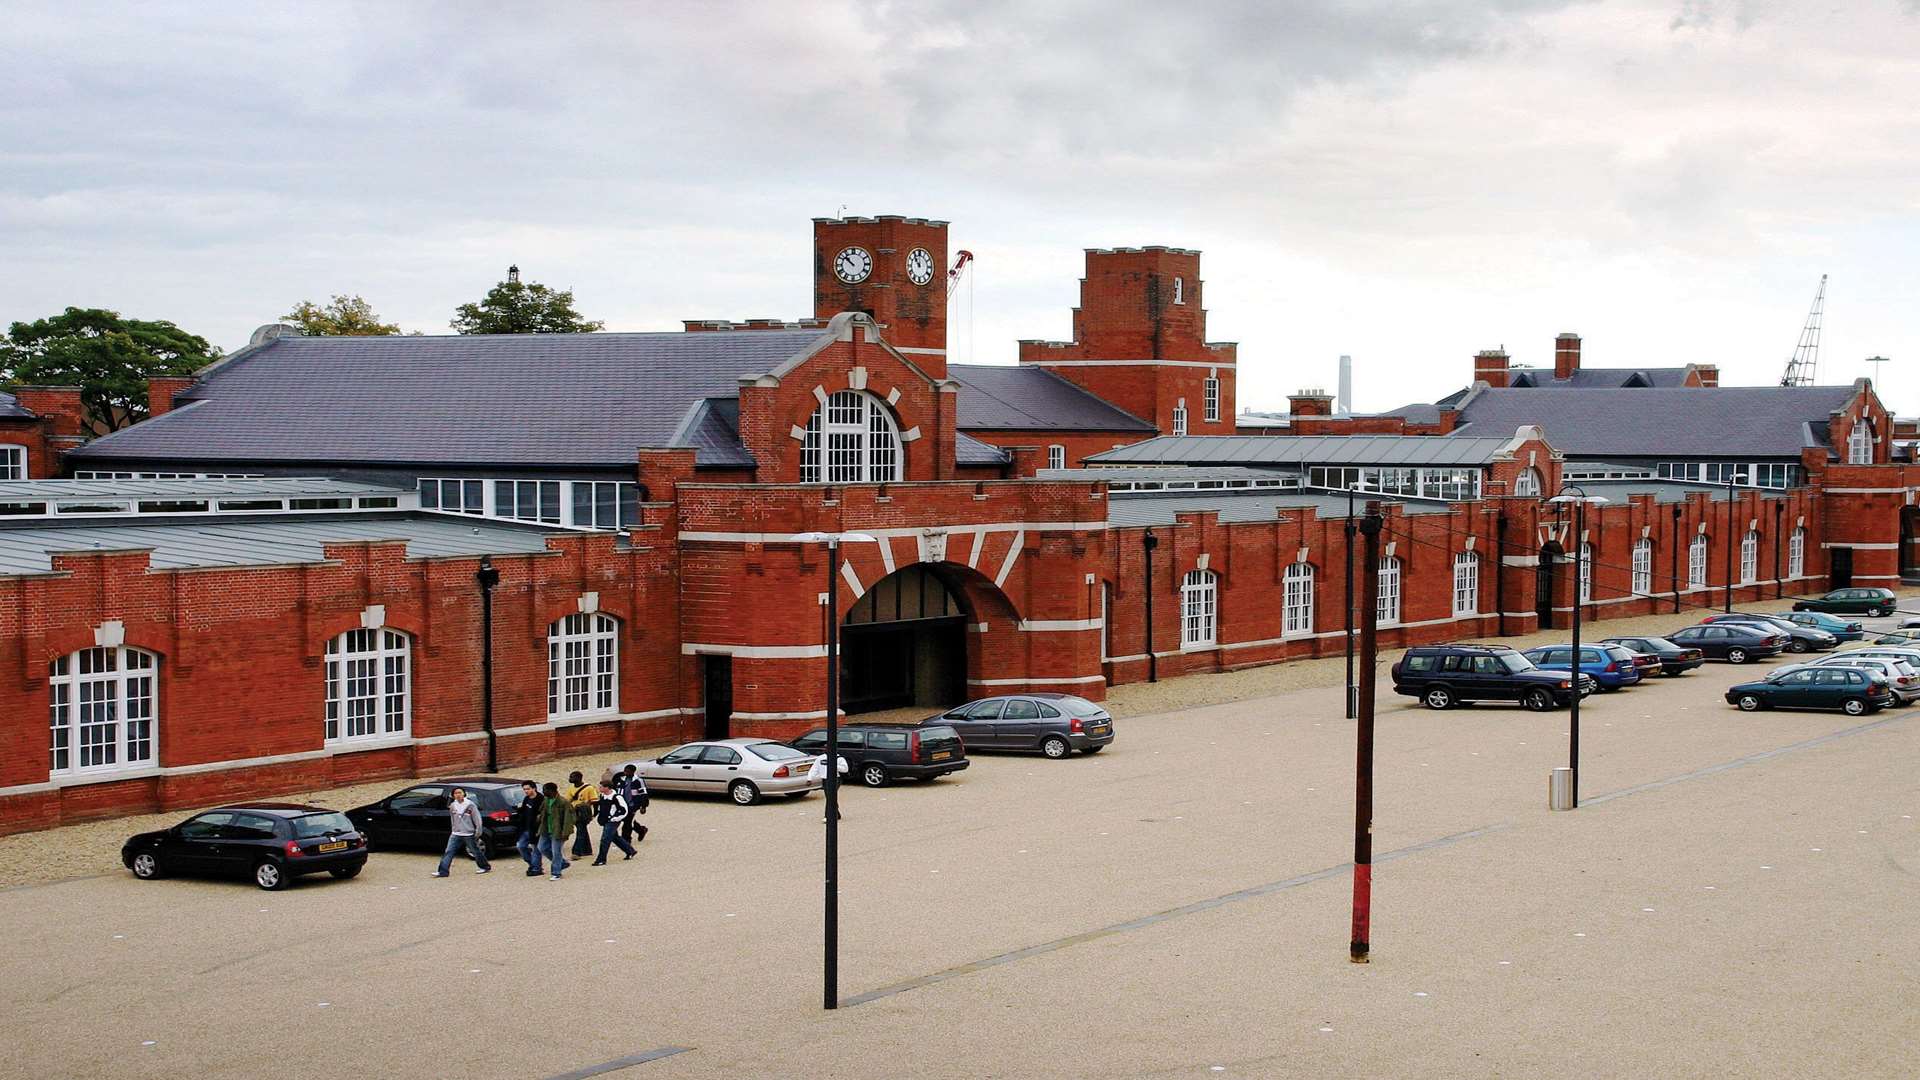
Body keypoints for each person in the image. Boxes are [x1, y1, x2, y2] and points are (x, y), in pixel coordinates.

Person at [434, 786, 492, 877]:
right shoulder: (453, 805)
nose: (458, 795)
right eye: (455, 793)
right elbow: (453, 819)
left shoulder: (470, 805)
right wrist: (454, 829)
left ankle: (485, 866)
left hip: (468, 833)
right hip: (456, 833)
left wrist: (478, 831)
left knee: (475, 851)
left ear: (464, 794)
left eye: (460, 792)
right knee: (449, 851)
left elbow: (477, 819)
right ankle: (443, 871)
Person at [592, 781, 636, 865]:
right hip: (606, 821)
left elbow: (624, 810)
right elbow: (600, 807)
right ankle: (630, 851)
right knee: (614, 837)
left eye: (601, 787)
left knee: (605, 839)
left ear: (607, 787)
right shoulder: (602, 796)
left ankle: (601, 859)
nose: (599, 788)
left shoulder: (617, 797)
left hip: (612, 821)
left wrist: (614, 818)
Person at [537, 781, 573, 880]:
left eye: (545, 790)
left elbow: (568, 819)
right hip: (545, 829)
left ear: (552, 791)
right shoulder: (546, 801)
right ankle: (563, 863)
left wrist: (565, 833)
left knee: (556, 852)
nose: (543, 792)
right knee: (542, 848)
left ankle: (556, 873)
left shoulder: (563, 802)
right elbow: (542, 812)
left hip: (558, 831)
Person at [511, 780, 544, 877]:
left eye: (528, 789)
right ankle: (533, 865)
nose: (526, 791)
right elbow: (523, 812)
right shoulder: (526, 799)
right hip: (526, 828)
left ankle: (536, 868)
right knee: (520, 846)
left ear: (534, 788)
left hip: (536, 829)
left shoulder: (540, 799)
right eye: (524, 789)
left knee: (536, 849)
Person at [566, 770, 598, 860]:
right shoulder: (571, 788)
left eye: (572, 777)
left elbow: (595, 801)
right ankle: (587, 850)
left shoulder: (589, 788)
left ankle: (576, 851)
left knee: (581, 831)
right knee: (583, 830)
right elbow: (567, 801)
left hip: (584, 813)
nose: (570, 779)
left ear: (579, 778)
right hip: (575, 812)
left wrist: (594, 814)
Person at [809, 753, 849, 822]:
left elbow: (845, 769)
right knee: (829, 797)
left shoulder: (839, 758)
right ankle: (836, 813)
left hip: (835, 779)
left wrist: (834, 765)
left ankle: (828, 816)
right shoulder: (820, 758)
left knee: (830, 797)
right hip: (825, 779)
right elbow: (815, 768)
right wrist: (809, 778)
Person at [619, 763, 649, 846]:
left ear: (633, 772)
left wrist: (643, 806)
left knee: (627, 823)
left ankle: (626, 840)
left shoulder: (638, 781)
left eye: (627, 772)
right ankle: (641, 830)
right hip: (623, 804)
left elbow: (643, 794)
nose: (625, 773)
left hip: (633, 805)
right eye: (625, 771)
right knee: (625, 820)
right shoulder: (621, 779)